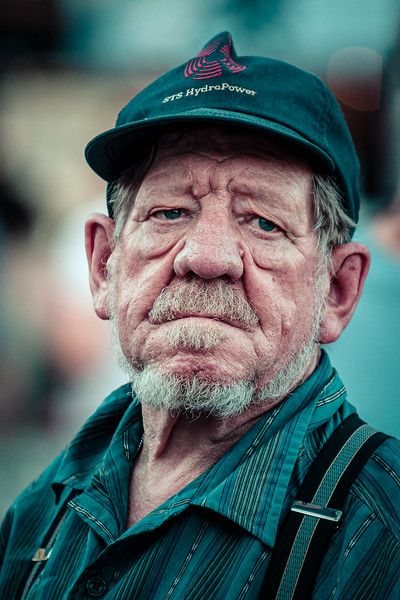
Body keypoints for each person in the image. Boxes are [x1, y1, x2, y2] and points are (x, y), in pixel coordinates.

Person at [0, 32, 399, 599]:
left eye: (264, 222)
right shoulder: (42, 507)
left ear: (336, 289)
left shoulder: (382, 536)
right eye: (168, 212)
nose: (206, 257)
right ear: (103, 265)